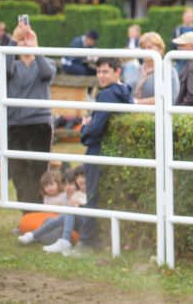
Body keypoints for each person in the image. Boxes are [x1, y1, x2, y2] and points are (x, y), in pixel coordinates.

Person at [80, 58, 133, 247]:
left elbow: (96, 129)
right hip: (115, 150)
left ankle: (87, 241)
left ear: (117, 71)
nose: (101, 76)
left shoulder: (106, 95)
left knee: (92, 195)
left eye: (105, 72)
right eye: (98, 72)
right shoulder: (125, 91)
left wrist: (84, 129)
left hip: (98, 150)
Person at [6, 22, 56, 205]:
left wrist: (36, 48)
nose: (25, 43)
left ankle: (38, 211)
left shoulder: (46, 63)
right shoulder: (12, 66)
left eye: (28, 40)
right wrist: (12, 41)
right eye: (22, 40)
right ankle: (26, 213)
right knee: (19, 171)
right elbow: (3, 69)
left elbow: (46, 74)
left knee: (39, 170)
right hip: (15, 124)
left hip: (39, 124)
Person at [18, 166, 87, 255]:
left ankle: (36, 235)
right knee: (50, 220)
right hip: (68, 222)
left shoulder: (79, 195)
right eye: (65, 184)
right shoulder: (74, 195)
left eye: (71, 184)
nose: (68, 187)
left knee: (67, 212)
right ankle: (33, 235)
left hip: (82, 227)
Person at [133, 32, 179, 105]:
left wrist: (136, 102)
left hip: (156, 115)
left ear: (160, 49)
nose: (145, 51)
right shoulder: (136, 69)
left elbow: (169, 99)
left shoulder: (169, 71)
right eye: (143, 48)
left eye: (149, 47)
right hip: (131, 114)